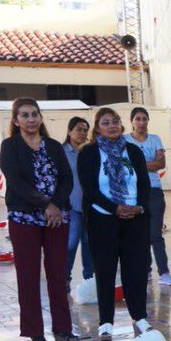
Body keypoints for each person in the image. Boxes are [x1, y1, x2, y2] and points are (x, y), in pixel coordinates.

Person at [0, 98, 77, 341]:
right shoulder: (10, 146)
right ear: (16, 121)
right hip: (25, 218)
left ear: (41, 118)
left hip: (56, 218)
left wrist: (56, 205)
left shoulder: (53, 146)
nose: (31, 119)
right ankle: (35, 333)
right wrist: (45, 205)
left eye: (35, 114)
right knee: (28, 275)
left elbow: (66, 179)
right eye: (25, 115)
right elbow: (16, 182)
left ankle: (63, 328)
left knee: (57, 273)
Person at [79, 107, 153, 339]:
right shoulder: (89, 153)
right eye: (105, 122)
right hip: (103, 218)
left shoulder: (133, 151)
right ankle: (106, 321)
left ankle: (139, 316)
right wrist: (115, 208)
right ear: (97, 128)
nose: (112, 126)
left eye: (115, 121)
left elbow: (144, 184)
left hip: (134, 218)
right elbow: (90, 189)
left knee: (136, 269)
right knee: (105, 269)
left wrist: (139, 207)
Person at [125, 107, 171, 287]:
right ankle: (144, 270)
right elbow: (125, 164)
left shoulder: (155, 139)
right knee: (139, 234)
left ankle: (164, 272)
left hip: (154, 190)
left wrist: (138, 163)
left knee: (155, 234)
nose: (141, 122)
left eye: (144, 118)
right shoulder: (125, 140)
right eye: (137, 119)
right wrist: (148, 163)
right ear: (132, 121)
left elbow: (160, 164)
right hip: (133, 192)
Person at [63, 116, 94, 285]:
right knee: (71, 243)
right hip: (70, 205)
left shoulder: (89, 151)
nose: (82, 133)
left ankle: (90, 281)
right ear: (69, 131)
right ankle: (65, 280)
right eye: (78, 130)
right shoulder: (61, 152)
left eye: (85, 130)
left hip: (89, 206)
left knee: (89, 244)